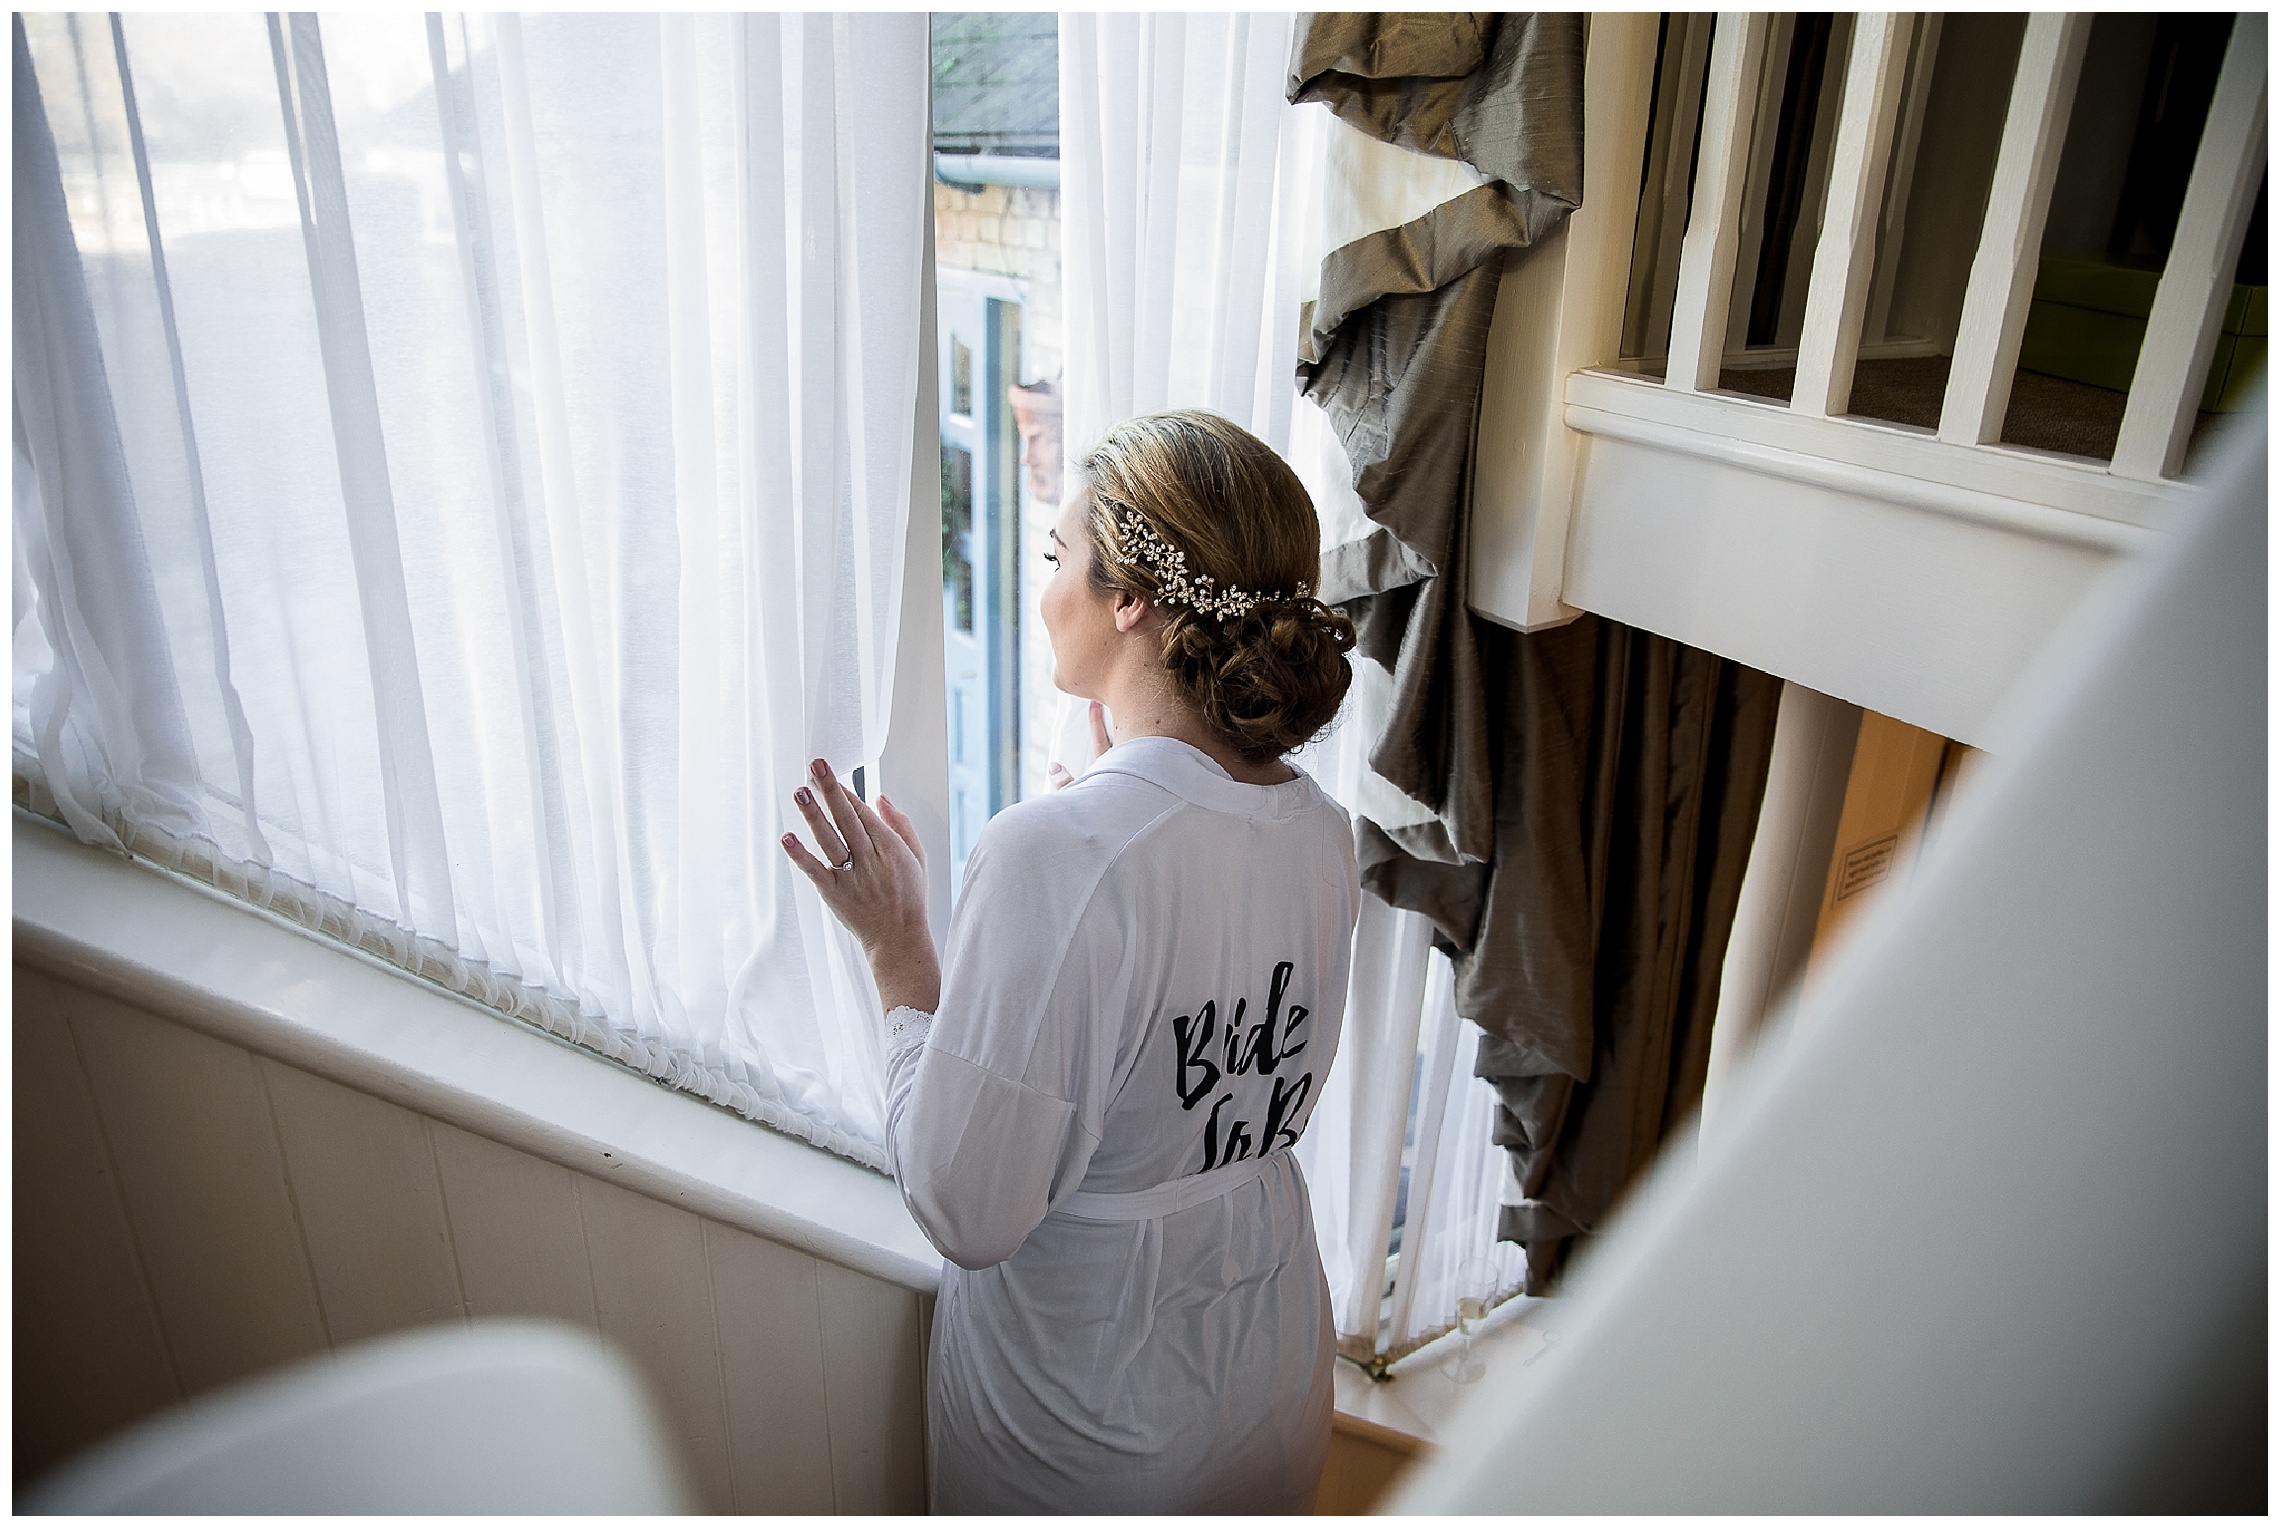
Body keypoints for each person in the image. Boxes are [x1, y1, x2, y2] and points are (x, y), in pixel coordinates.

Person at [780, 409, 1360, 1513]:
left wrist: (901, 951)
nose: (1045, 588)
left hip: (1091, 1431)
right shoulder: (1320, 833)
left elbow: (966, 1207)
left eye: (1060, 557)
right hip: (1272, 1377)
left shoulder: (1057, 855)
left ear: (1130, 597)